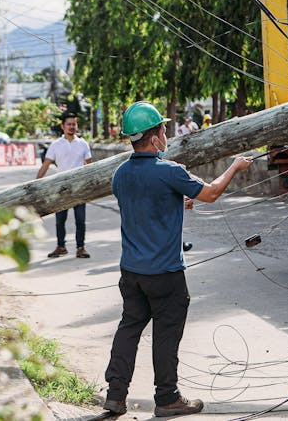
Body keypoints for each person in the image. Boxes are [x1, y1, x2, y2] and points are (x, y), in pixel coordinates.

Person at [102, 101, 252, 417]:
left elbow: (144, 205)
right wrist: (235, 167)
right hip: (165, 274)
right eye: (163, 129)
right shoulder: (170, 171)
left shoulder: (120, 174)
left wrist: (175, 203)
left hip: (132, 273)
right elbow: (211, 193)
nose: (166, 134)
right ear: (155, 137)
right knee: (166, 335)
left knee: (129, 329)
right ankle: (167, 398)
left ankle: (115, 396)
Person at [37, 112, 93, 258]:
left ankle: (81, 247)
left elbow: (90, 166)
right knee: (60, 220)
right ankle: (61, 246)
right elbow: (46, 165)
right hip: (61, 189)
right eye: (69, 124)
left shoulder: (83, 144)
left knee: (80, 220)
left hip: (79, 188)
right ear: (63, 126)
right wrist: (35, 184)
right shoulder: (56, 145)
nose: (72, 127)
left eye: (74, 124)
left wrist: (91, 185)